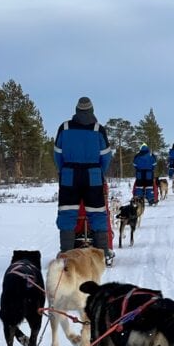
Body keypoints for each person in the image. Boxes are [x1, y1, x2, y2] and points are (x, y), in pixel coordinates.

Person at [54, 97, 114, 265]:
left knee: (67, 212)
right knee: (97, 212)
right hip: (92, 175)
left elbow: (57, 154)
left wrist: (64, 170)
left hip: (69, 175)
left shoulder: (64, 127)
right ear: (92, 111)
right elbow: (106, 156)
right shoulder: (98, 129)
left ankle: (66, 253)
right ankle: (103, 253)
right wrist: (98, 172)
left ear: (77, 110)